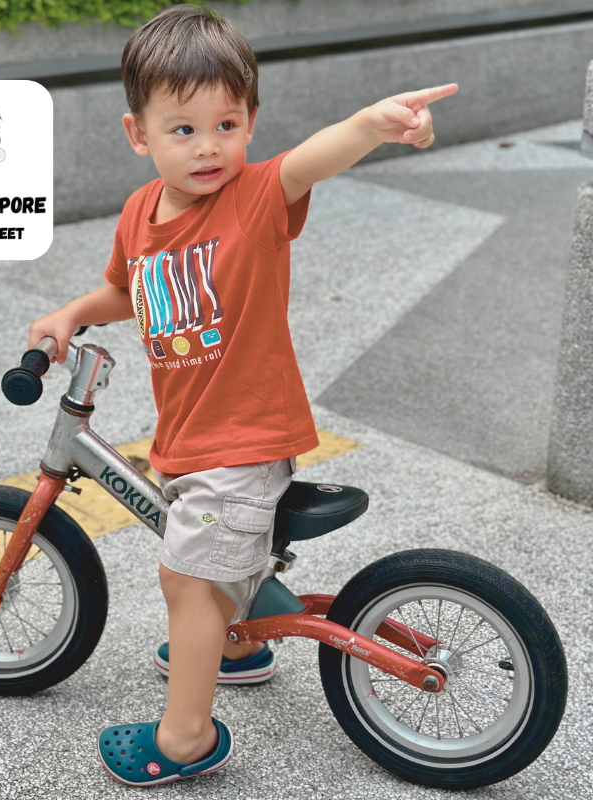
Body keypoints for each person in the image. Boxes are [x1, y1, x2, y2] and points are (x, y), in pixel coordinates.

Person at [27, 4, 457, 786]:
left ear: (251, 122)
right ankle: (239, 644)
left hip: (244, 443)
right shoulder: (138, 214)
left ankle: (186, 737)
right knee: (203, 560)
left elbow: (311, 161)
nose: (208, 147)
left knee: (189, 581)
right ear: (139, 134)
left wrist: (373, 122)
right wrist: (70, 315)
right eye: (182, 130)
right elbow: (130, 292)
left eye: (227, 124)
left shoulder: (255, 197)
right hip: (188, 437)